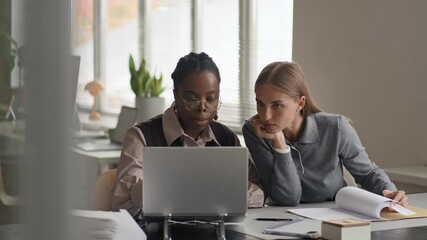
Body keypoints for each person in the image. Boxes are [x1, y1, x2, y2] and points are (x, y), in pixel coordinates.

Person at [112, 52, 264, 218]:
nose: (202, 107)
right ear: (176, 95)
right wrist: (214, 189)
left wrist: (198, 189)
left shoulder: (226, 138)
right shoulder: (141, 136)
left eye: (211, 98)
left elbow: (259, 194)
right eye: (192, 99)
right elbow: (123, 204)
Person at [242, 61, 408, 207]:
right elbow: (287, 198)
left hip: (338, 216)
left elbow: (367, 173)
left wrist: (392, 195)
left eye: (277, 105)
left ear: (300, 103)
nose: (265, 116)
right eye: (260, 104)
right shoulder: (255, 131)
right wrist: (280, 145)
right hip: (284, 220)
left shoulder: (336, 127)